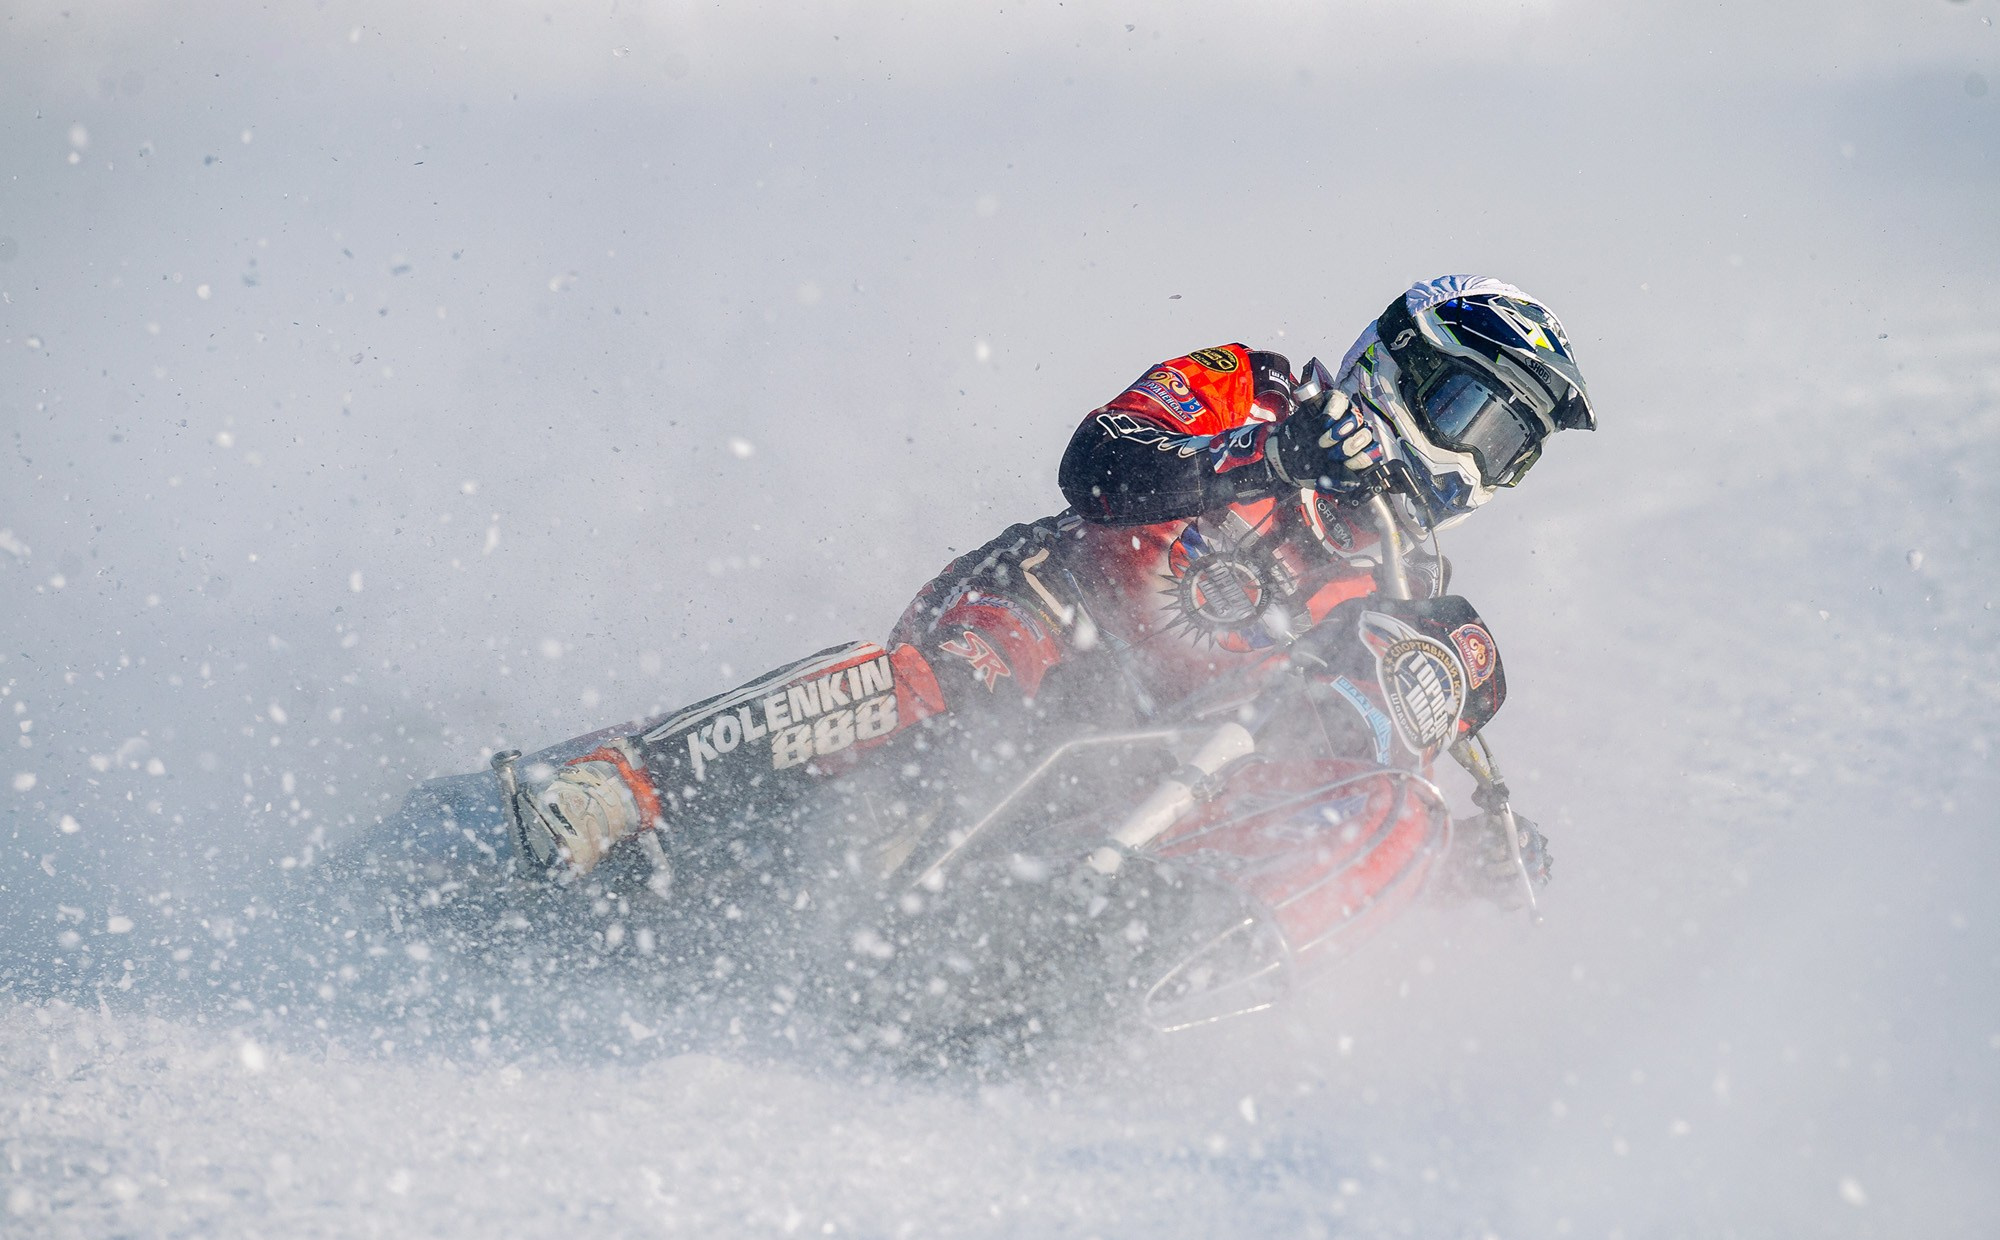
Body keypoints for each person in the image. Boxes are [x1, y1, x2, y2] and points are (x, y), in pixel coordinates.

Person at [513, 274, 1595, 902]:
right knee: (954, 681)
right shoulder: (1250, 386)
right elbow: (1100, 465)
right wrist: (1269, 460)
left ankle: (1095, 972)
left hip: (1160, 751)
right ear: (1398, 364)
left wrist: (1465, 854)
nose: (1469, 466)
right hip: (1047, 613)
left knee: (1369, 810)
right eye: (1471, 417)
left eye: (1508, 451)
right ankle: (615, 783)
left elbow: (1364, 737)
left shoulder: (1405, 577)